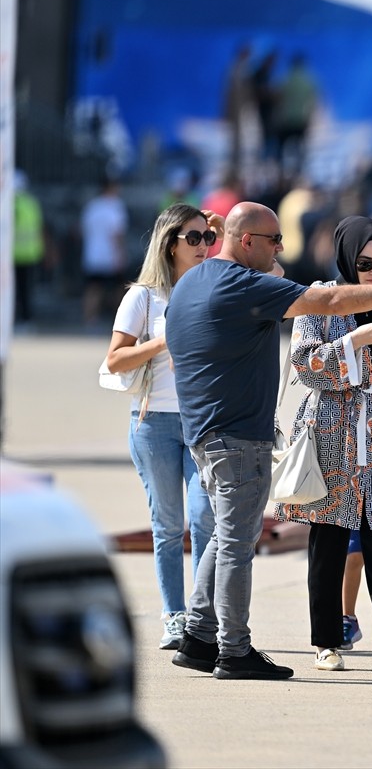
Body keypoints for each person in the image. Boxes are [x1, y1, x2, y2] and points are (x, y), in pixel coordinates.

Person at [165, 200, 372, 681]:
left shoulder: (196, 280)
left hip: (366, 436)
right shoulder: (290, 292)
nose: (283, 248)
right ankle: (246, 648)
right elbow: (312, 350)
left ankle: (202, 636)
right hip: (317, 434)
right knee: (285, 544)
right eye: (365, 264)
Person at [275, 216, 372, 675]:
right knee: (329, 540)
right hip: (332, 433)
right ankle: (326, 642)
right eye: (365, 263)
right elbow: (305, 367)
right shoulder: (318, 301)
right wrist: (351, 342)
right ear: (346, 259)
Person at [104, 203, 218, 650]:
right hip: (153, 423)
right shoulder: (143, 297)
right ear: (170, 243)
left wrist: (224, 231)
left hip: (201, 421)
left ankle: (204, 614)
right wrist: (163, 341)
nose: (203, 246)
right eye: (194, 238)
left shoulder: (212, 286)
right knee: (168, 525)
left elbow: (274, 273)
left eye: (207, 238)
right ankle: (175, 616)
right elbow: (115, 360)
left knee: (206, 517)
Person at [81, 177, 129, 328]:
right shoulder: (115, 206)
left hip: (92, 255)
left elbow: (84, 229)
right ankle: (121, 322)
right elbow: (117, 234)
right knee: (119, 289)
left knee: (94, 288)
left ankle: (90, 319)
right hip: (110, 255)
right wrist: (121, 254)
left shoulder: (92, 206)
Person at [273, 53, 319, 174]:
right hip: (301, 120)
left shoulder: (285, 79)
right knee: (300, 150)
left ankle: (281, 172)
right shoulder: (308, 81)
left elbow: (278, 101)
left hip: (286, 120)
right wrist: (309, 118)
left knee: (282, 150)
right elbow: (312, 102)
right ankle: (299, 172)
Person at [12, 170, 45, 325]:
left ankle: (17, 319)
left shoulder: (12, 203)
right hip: (31, 253)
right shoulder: (31, 202)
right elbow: (39, 228)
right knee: (26, 290)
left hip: (14, 254)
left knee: (14, 291)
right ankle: (26, 318)